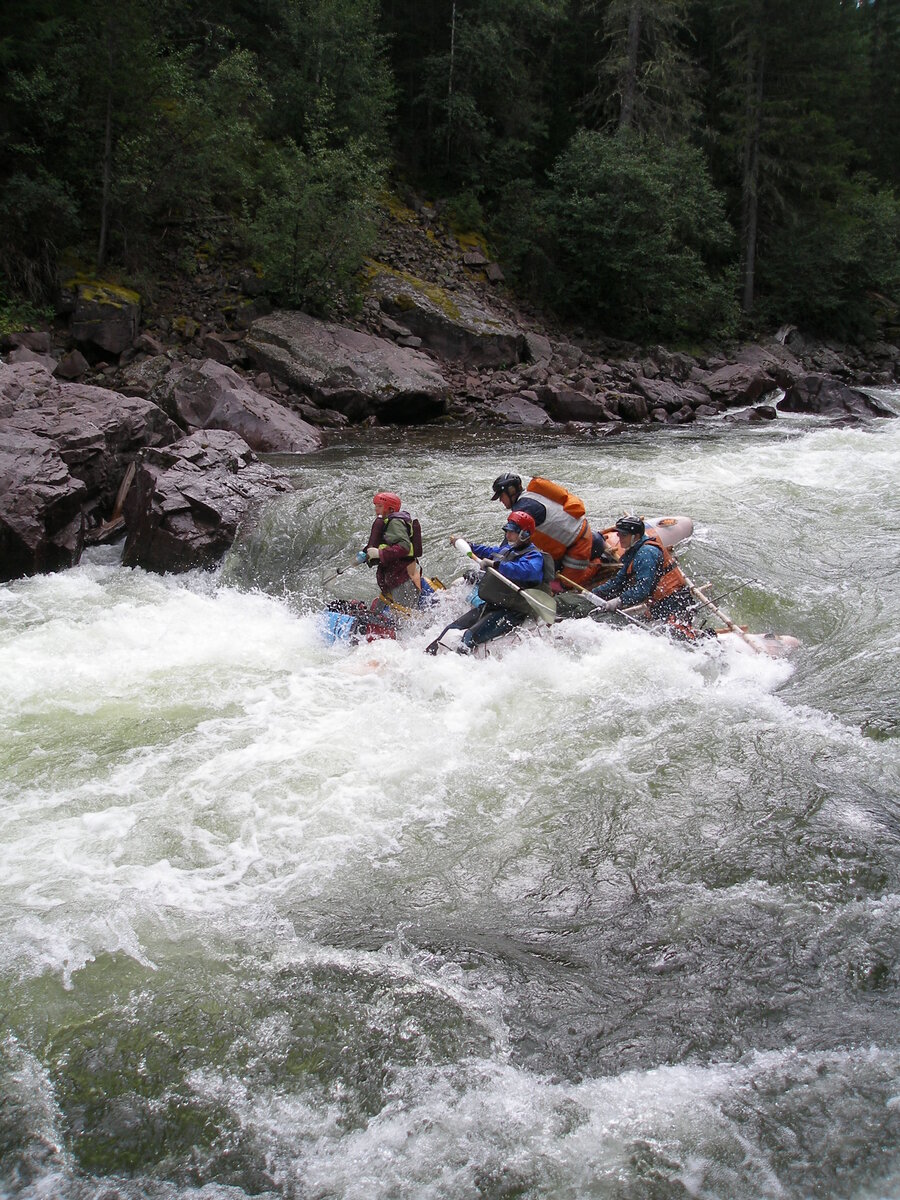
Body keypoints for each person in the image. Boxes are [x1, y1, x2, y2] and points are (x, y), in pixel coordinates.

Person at [425, 511, 553, 654]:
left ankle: (461, 666)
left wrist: (496, 565)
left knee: (469, 637)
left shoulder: (533, 556)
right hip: (494, 605)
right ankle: (428, 655)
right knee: (451, 628)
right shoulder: (508, 550)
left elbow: (527, 571)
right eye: (507, 531)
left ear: (525, 534)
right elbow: (489, 551)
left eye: (512, 532)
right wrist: (469, 545)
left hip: (513, 611)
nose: (507, 535)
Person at [490, 472, 598, 586]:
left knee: (563, 586)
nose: (500, 500)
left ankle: (598, 563)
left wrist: (495, 562)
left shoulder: (524, 509)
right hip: (574, 533)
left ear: (511, 491)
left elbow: (509, 543)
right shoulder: (529, 495)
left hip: (579, 543)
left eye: (501, 496)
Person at [589, 515, 692, 622]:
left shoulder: (646, 553)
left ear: (636, 536)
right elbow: (619, 580)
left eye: (624, 535)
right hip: (660, 602)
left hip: (675, 601)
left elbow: (642, 589)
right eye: (619, 534)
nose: (620, 538)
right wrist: (594, 593)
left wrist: (619, 601)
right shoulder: (633, 551)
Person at [360, 492, 434, 611]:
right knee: (386, 608)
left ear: (390, 509)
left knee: (405, 613)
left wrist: (380, 553)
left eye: (379, 506)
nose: (376, 509)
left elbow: (404, 547)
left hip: (403, 577)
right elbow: (383, 543)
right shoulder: (386, 522)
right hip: (393, 575)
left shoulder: (395, 522)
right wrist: (364, 555)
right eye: (375, 506)